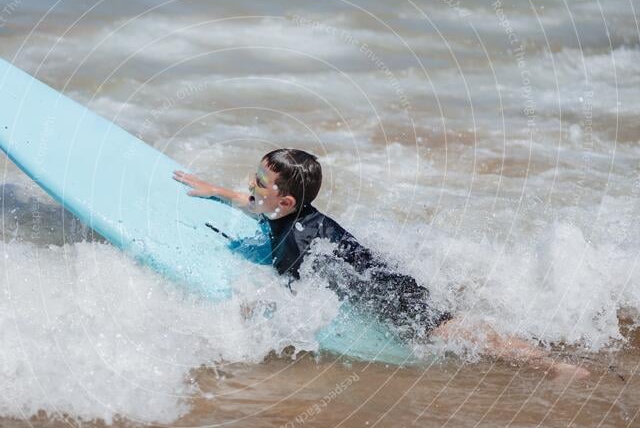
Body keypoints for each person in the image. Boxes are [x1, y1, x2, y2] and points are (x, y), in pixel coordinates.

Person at [173, 148, 590, 380]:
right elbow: (254, 205)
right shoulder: (285, 210)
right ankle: (547, 352)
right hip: (377, 273)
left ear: (286, 201)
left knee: (454, 333)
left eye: (259, 182)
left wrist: (247, 313)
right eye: (254, 176)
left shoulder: (297, 241)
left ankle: (552, 365)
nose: (250, 185)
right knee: (457, 329)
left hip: (390, 296)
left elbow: (296, 294)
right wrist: (215, 190)